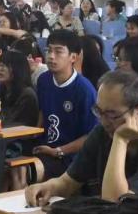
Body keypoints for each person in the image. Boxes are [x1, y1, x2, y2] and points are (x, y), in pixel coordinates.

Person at [26, 70, 138, 213]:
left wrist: (120, 140)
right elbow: (68, 182)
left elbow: (116, 203)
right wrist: (48, 186)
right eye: (99, 111)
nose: (103, 121)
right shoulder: (103, 132)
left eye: (112, 114)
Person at [33, 30, 98, 180]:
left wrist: (58, 151)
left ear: (73, 57)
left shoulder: (84, 90)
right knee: (6, 164)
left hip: (71, 156)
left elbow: (92, 135)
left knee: (26, 171)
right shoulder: (43, 80)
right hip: (45, 147)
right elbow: (43, 111)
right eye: (49, 50)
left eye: (58, 51)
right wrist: (34, 134)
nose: (51, 56)